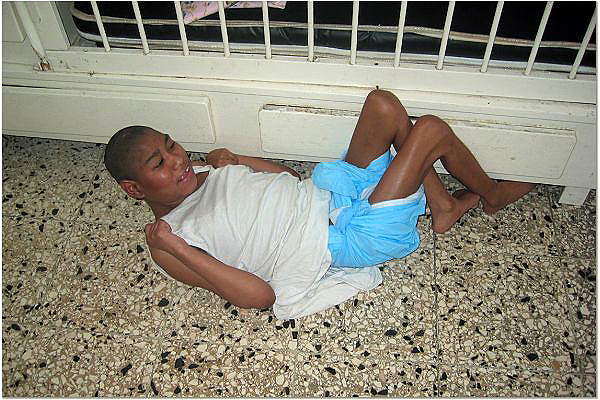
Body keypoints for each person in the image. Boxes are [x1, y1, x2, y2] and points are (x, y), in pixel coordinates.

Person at [103, 89, 534, 319]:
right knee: (430, 130)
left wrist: (237, 161)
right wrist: (178, 248)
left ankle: (443, 209)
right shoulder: (170, 242)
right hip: (339, 239)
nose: (178, 160)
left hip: (329, 194)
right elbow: (259, 297)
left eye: (171, 145)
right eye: (159, 163)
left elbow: (290, 180)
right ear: (134, 189)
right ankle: (490, 196)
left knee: (383, 106)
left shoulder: (204, 172)